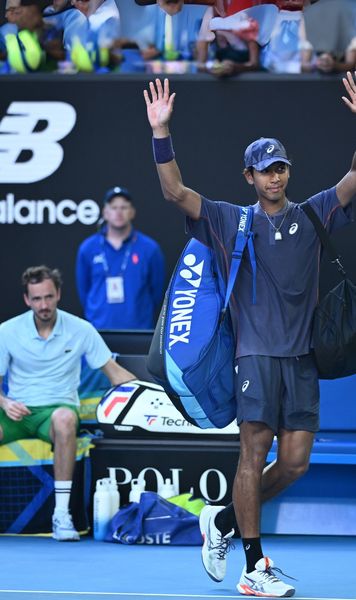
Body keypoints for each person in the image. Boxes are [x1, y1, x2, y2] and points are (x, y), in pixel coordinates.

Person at [143, 73, 356, 596]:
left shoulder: (315, 212)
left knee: (295, 464)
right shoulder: (226, 220)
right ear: (249, 177)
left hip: (302, 360)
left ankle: (221, 522)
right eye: (265, 171)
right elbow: (174, 191)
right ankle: (253, 567)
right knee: (251, 457)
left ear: (288, 171)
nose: (275, 177)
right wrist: (161, 132)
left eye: (280, 168)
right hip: (255, 357)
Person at [0, 265, 135, 541]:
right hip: (15, 412)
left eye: (48, 297)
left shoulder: (81, 329)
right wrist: (4, 402)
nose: (44, 305)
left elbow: (114, 373)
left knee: (64, 419)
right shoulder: (7, 331)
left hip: (56, 412)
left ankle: (61, 515)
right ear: (27, 300)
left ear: (58, 294)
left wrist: (154, 394)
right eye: (36, 299)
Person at [76, 186, 165, 330]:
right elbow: (83, 291)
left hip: (139, 331)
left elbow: (157, 293)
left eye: (124, 207)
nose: (118, 212)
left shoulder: (150, 248)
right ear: (105, 212)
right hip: (98, 330)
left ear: (132, 212)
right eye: (114, 207)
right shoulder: (88, 248)